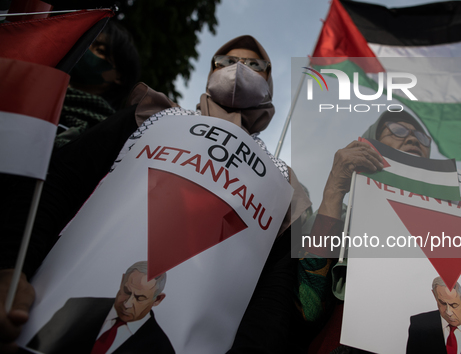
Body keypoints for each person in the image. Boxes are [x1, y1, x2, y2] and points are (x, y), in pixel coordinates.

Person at [0, 35, 311, 353]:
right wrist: (12, 267)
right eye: (226, 62)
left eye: (254, 65)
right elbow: (63, 180)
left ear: (269, 83)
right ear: (210, 73)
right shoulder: (151, 117)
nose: (238, 69)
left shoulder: (282, 185)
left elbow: (274, 293)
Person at [299, 110, 461, 353]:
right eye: (397, 130)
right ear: (371, 141)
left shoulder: (459, 222)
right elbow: (307, 305)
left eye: (421, 136)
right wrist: (334, 189)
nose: (413, 138)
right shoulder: (338, 215)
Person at [26, 261, 175, 354]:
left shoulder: (162, 348)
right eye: (127, 291)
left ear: (158, 299)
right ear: (122, 280)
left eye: (139, 298)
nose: (127, 303)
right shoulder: (77, 307)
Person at [55, 20, 141, 148]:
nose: (86, 51)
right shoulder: (37, 96)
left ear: (119, 76)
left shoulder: (109, 136)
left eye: (99, 50)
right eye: (86, 44)